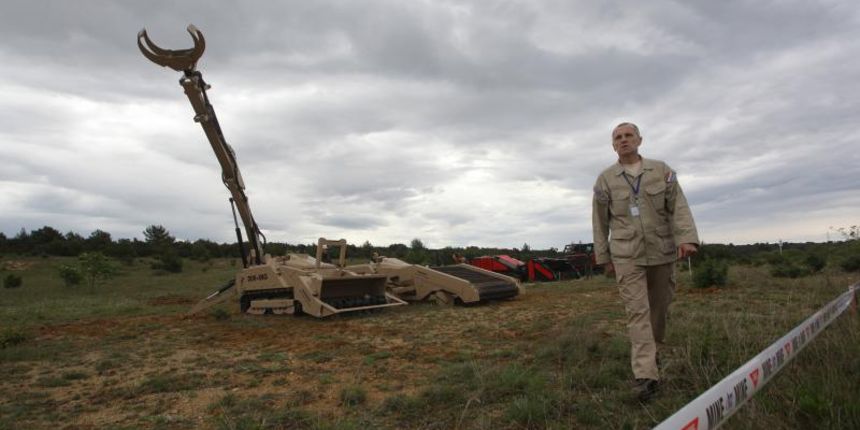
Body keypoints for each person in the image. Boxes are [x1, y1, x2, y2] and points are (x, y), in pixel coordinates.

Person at [592, 122, 699, 402]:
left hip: (661, 250)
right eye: (618, 137)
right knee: (637, 312)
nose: (624, 140)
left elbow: (678, 206)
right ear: (613, 145)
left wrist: (687, 238)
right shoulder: (605, 180)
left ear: (639, 140)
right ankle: (646, 376)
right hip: (627, 255)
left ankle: (653, 352)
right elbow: (600, 223)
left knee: (658, 310)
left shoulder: (662, 171)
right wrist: (604, 257)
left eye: (629, 135)